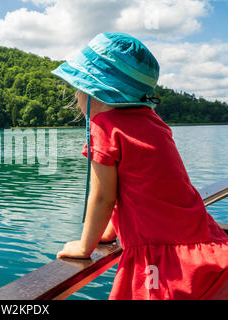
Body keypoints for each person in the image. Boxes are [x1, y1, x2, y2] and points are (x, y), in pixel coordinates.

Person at [52, 32, 228, 300]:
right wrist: (110, 233)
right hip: (199, 241)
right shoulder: (152, 121)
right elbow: (137, 189)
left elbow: (102, 197)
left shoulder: (104, 128)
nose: (76, 95)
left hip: (164, 260)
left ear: (93, 90)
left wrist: (85, 247)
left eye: (78, 87)